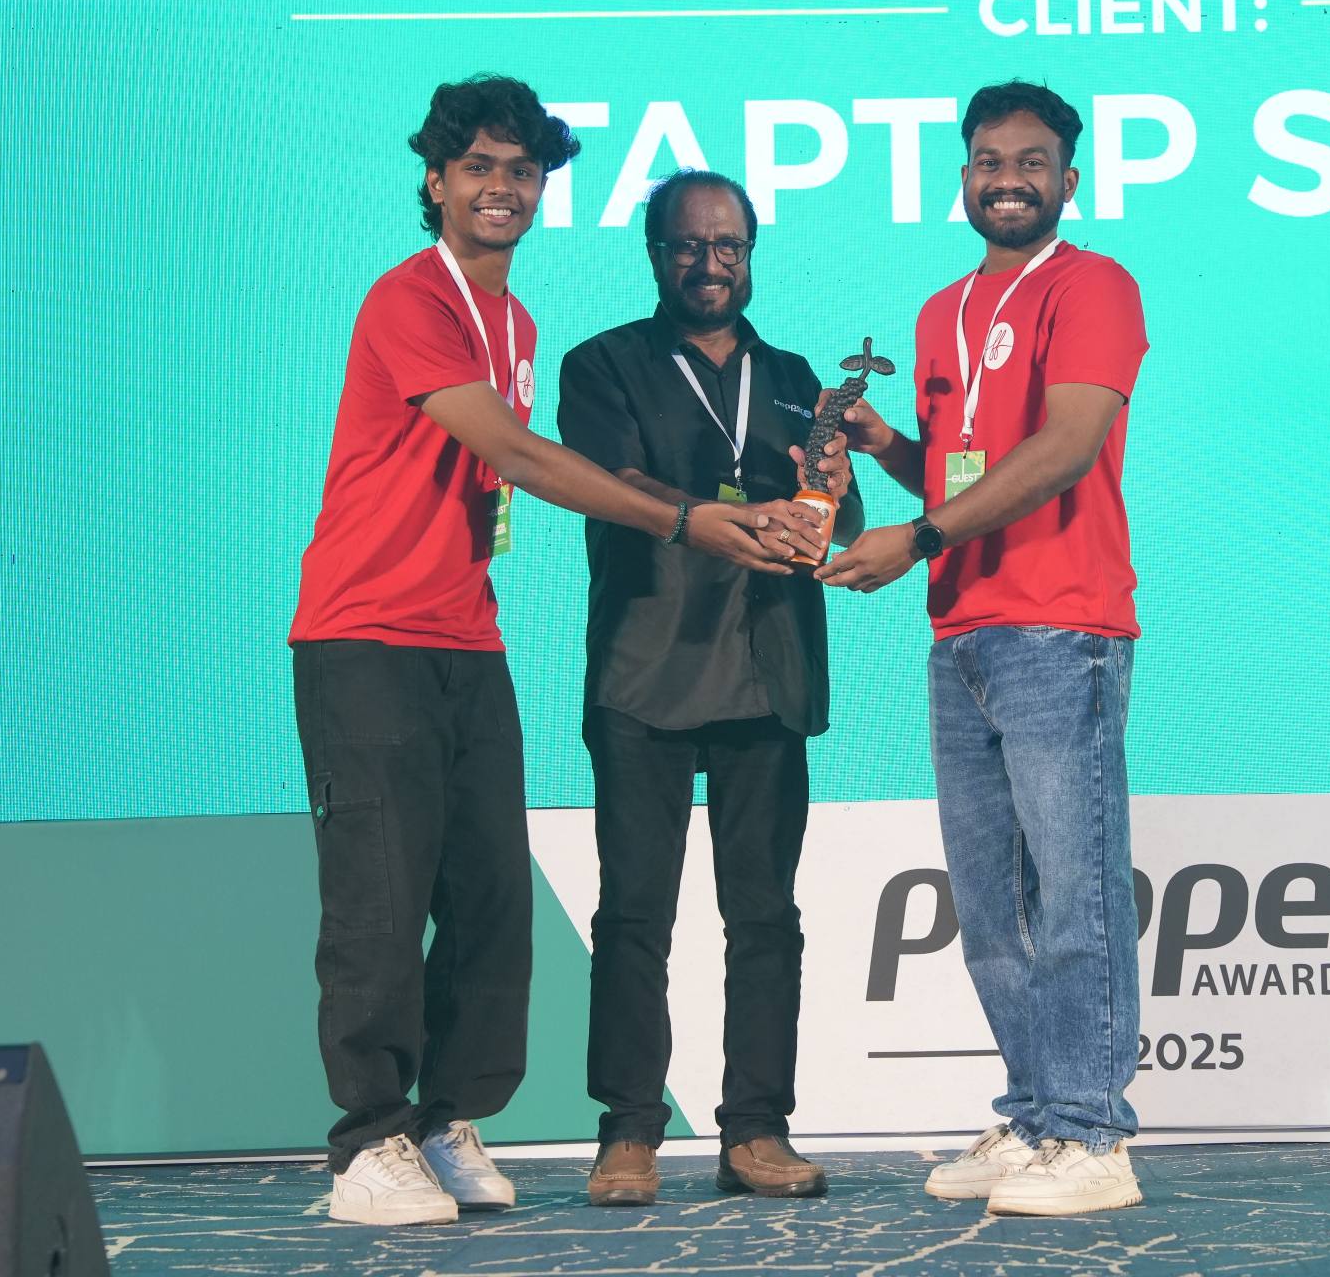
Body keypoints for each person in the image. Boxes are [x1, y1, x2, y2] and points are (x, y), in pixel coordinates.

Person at [289, 78, 789, 1227]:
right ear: (435, 181)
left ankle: (446, 1119)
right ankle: (367, 1142)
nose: (501, 189)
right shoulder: (410, 298)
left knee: (490, 900)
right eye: (478, 167)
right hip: (364, 637)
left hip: (468, 636)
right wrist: (684, 518)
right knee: (380, 901)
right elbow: (514, 456)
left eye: (521, 171)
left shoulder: (512, 323)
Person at [821, 81, 1149, 1216]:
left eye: (1032, 160)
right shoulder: (938, 312)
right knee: (992, 911)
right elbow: (964, 471)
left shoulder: (1094, 286)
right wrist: (887, 448)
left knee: (1074, 895)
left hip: (1062, 624)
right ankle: (1037, 1115)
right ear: (963, 177)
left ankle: (1094, 1135)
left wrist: (914, 538)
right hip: (961, 630)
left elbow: (1063, 449)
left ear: (1070, 179)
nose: (1009, 178)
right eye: (989, 161)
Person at [558, 170, 861, 1207]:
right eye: (688, 245)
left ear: (751, 254)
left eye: (728, 245)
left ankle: (757, 1131)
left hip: (769, 671)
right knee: (634, 915)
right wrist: (713, 515)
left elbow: (843, 525)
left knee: (766, 916)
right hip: (645, 667)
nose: (709, 263)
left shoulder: (798, 379)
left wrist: (836, 495)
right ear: (655, 252)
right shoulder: (600, 365)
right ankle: (628, 1133)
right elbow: (613, 484)